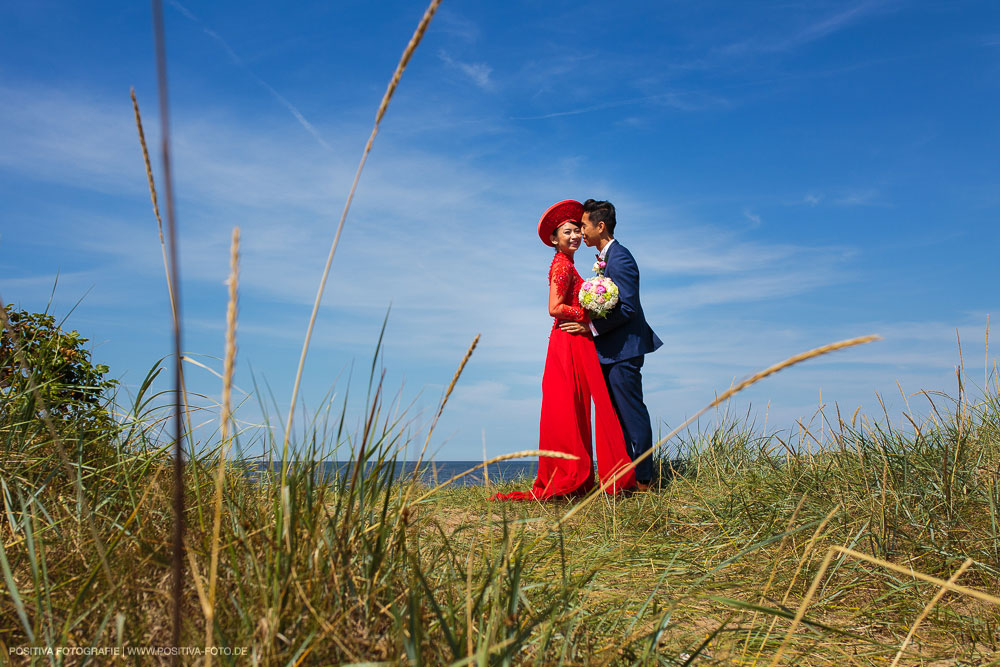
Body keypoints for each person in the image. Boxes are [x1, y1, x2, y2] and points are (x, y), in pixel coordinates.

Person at [494, 200, 636, 501]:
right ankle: (574, 477)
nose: (574, 236)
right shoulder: (561, 265)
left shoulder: (570, 264)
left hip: (576, 340)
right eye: (567, 232)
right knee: (570, 407)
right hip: (567, 340)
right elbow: (554, 308)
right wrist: (585, 314)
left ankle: (583, 476)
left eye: (576, 230)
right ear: (555, 240)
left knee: (579, 407)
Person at [560, 199, 662, 490]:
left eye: (583, 225)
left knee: (631, 414)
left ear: (600, 226)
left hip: (624, 350)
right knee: (615, 417)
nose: (580, 231)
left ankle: (644, 480)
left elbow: (628, 307)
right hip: (610, 350)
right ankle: (626, 477)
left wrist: (589, 327)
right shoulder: (605, 259)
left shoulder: (621, 257)